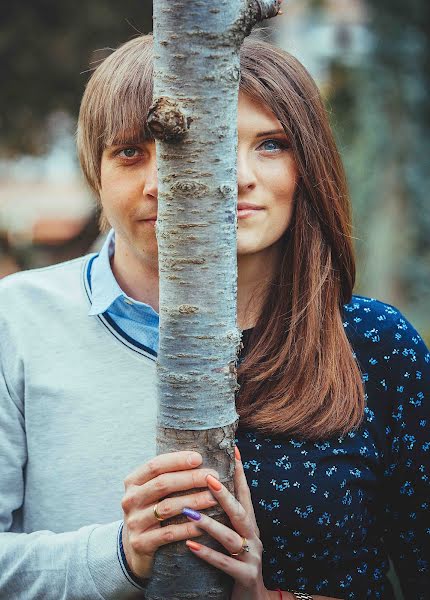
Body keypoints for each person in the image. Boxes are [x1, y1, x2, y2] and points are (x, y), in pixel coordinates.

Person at [0, 33, 428, 600]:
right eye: (131, 151)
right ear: (94, 175)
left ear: (310, 164)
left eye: (270, 144)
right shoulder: (18, 321)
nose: (233, 176)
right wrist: (120, 557)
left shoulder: (374, 343)